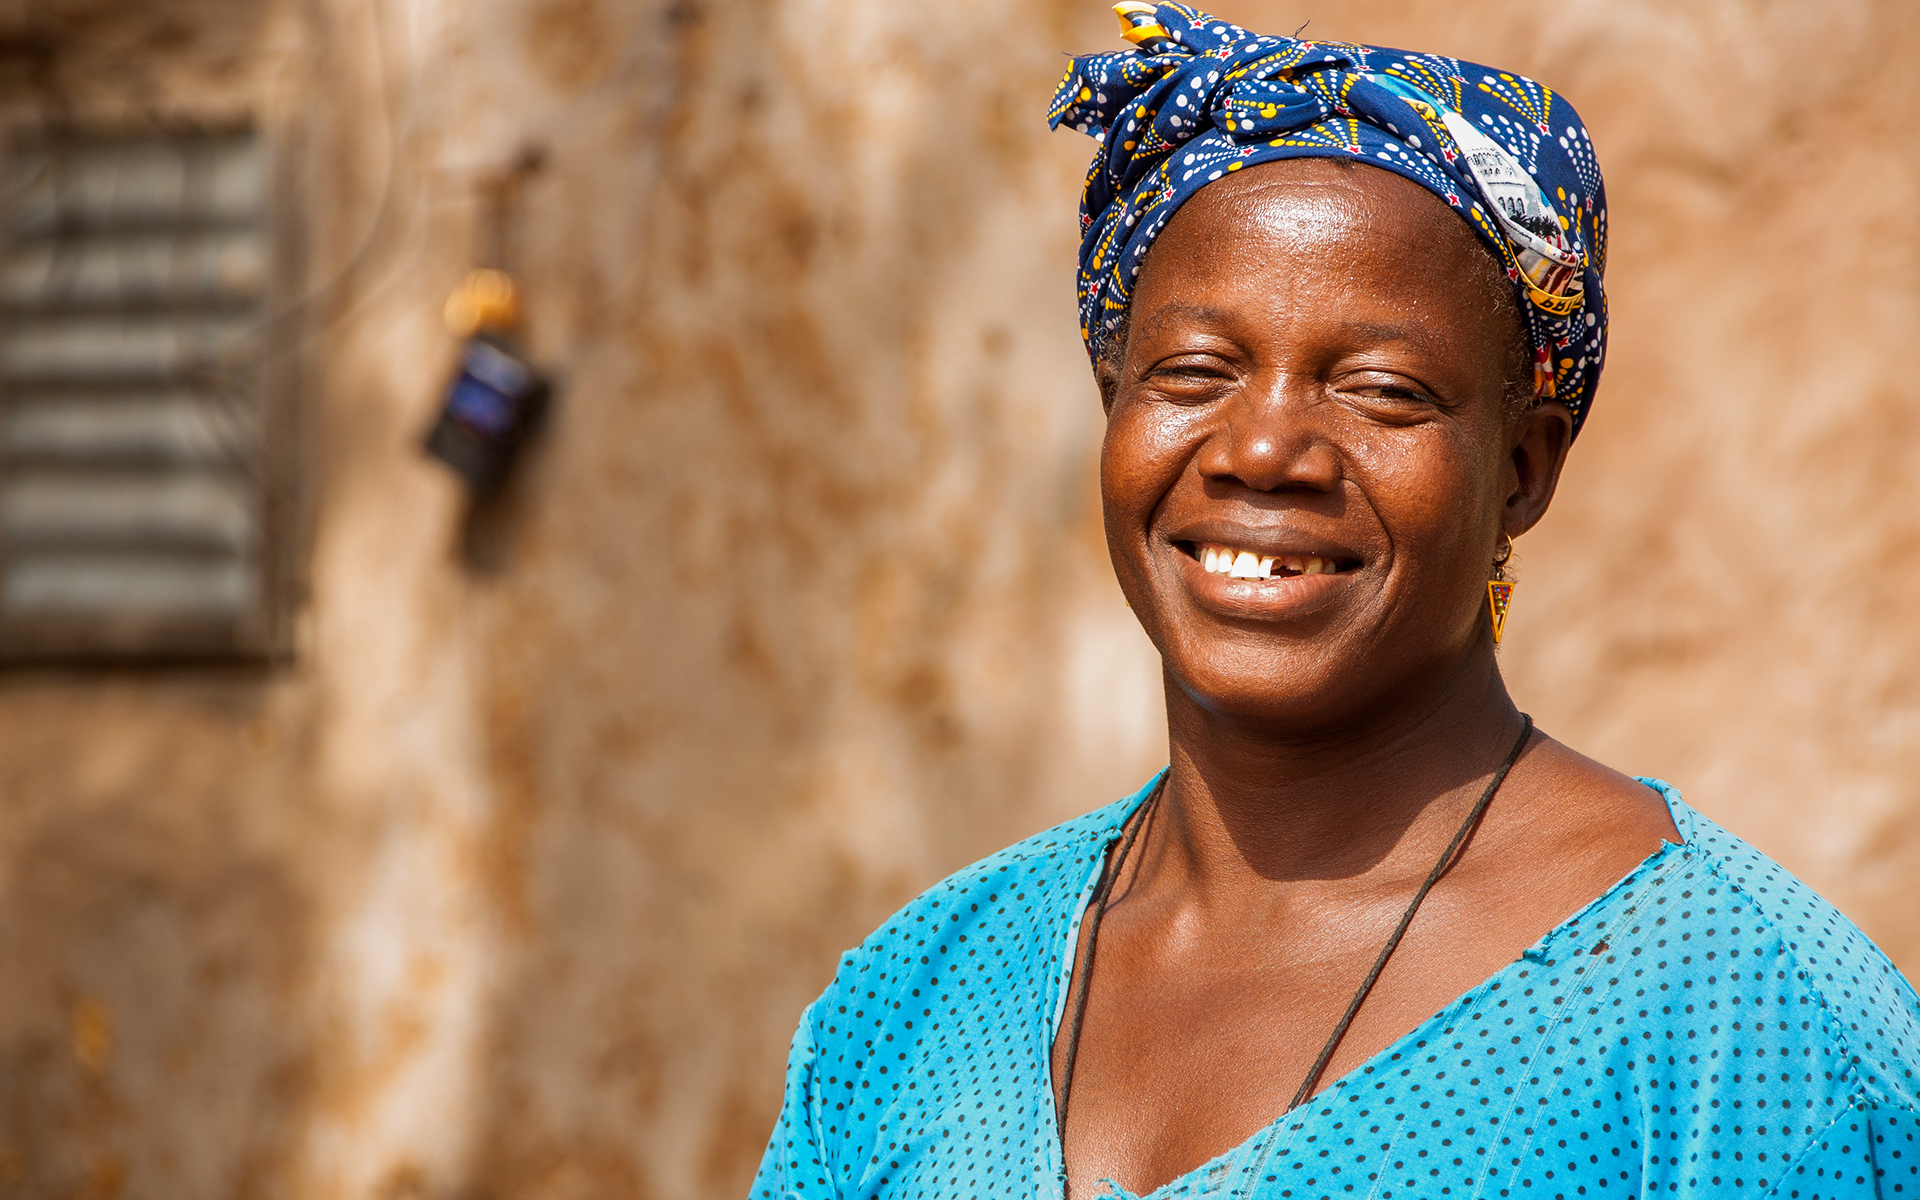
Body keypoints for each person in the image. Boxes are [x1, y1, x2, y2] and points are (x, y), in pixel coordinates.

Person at [750, 5, 1920, 1197]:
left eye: (1382, 389)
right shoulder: (917, 1005)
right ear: (1114, 409)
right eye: (1194, 370)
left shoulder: (1744, 1019)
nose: (1263, 448)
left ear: (1526, 467)